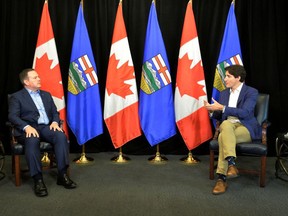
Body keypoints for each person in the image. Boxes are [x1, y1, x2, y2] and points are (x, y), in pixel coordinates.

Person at [8, 68, 77, 197]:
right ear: (26, 82)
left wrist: (55, 122)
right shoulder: (17, 97)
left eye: (38, 76)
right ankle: (38, 179)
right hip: (29, 129)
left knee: (61, 136)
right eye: (35, 77)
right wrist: (26, 126)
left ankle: (62, 174)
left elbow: (55, 113)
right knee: (32, 140)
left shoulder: (46, 95)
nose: (39, 79)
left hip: (46, 127)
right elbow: (13, 116)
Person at [204, 65, 261, 195]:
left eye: (228, 76)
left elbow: (245, 113)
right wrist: (212, 111)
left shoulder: (251, 92)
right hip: (228, 126)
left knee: (224, 132)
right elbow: (220, 115)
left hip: (245, 127)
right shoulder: (224, 93)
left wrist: (223, 108)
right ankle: (231, 164)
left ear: (238, 77)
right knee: (226, 126)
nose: (225, 79)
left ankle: (221, 178)